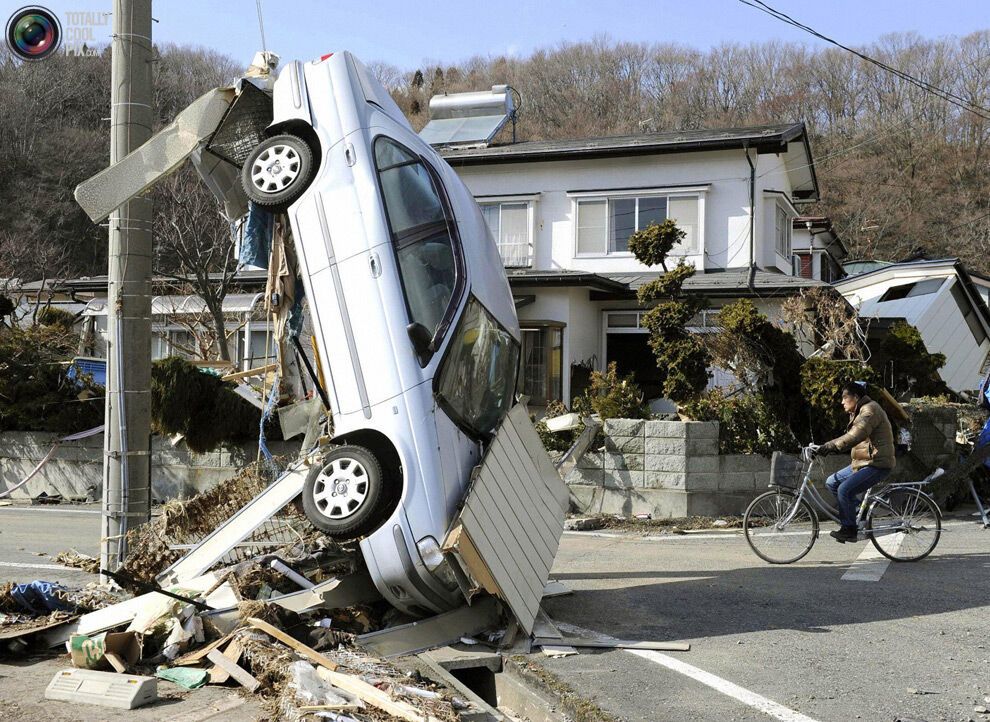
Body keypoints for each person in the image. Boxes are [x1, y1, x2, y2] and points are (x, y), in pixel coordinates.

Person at [811, 381, 896, 543]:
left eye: (845, 397)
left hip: (877, 463)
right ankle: (859, 511)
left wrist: (830, 446)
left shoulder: (870, 410)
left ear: (856, 397)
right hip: (863, 462)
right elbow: (850, 437)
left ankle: (849, 530)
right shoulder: (858, 411)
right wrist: (824, 446)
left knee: (844, 490)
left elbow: (855, 435)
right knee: (831, 482)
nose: (842, 402)